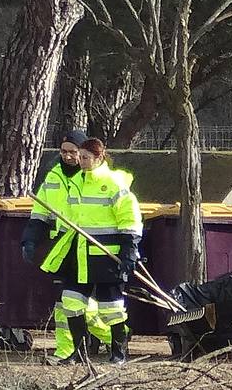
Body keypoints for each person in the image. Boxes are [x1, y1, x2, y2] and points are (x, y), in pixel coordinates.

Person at [25, 132, 144, 364]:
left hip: (105, 257)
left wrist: (129, 249)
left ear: (99, 158)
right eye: (79, 156)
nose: (80, 161)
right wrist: (32, 237)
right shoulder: (75, 182)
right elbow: (60, 213)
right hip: (77, 254)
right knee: (71, 302)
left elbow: (129, 218)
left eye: (85, 157)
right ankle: (78, 353)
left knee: (111, 309)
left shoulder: (112, 184)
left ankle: (119, 353)